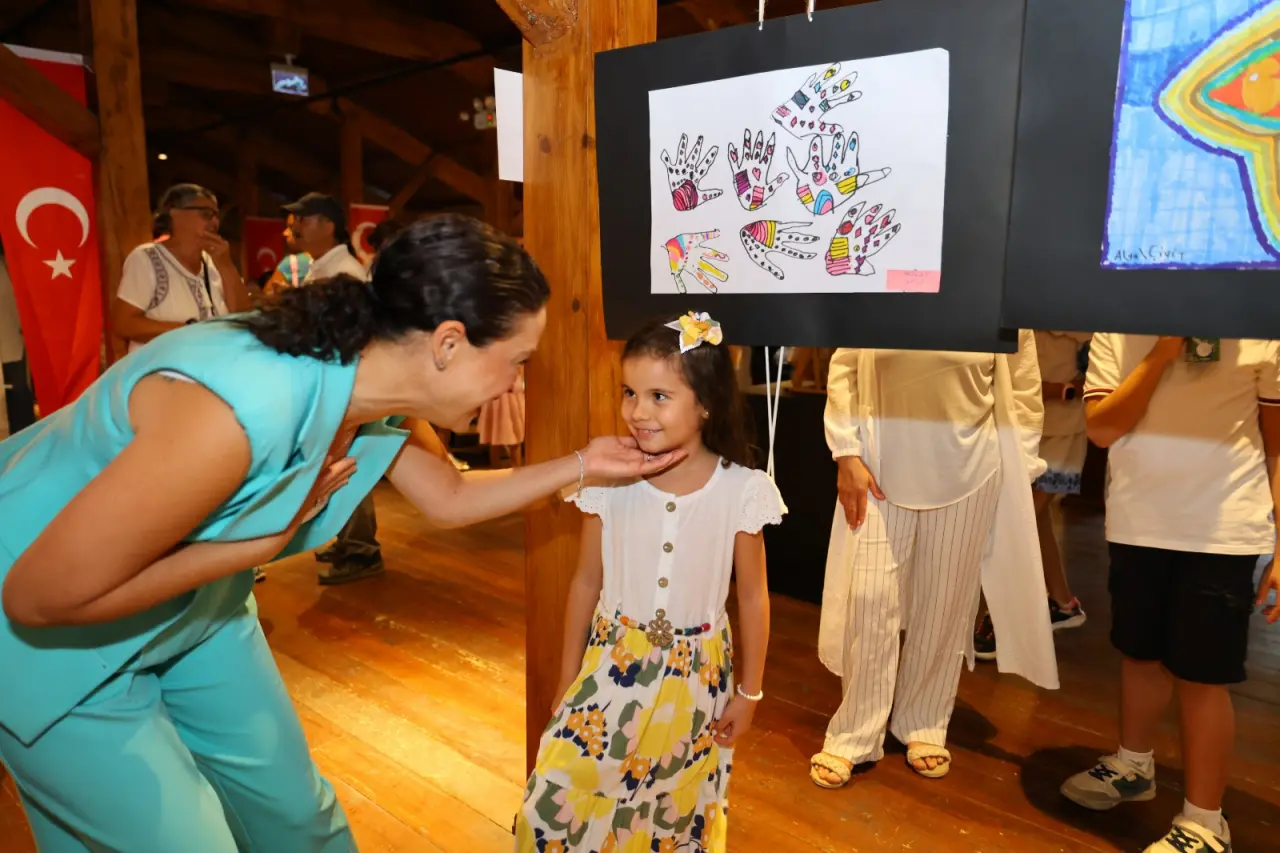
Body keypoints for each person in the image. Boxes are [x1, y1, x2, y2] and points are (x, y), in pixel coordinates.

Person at [0, 215, 679, 853]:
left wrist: (587, 465)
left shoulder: (376, 392)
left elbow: (444, 496)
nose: (515, 382)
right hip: (49, 641)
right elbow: (36, 598)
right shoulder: (239, 410)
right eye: (517, 360)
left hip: (196, 607)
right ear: (447, 343)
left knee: (300, 817)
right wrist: (257, 547)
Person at [517, 312, 784, 851]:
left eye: (659, 396)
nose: (637, 412)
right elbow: (585, 582)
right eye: (629, 392)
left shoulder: (742, 489)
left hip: (696, 681)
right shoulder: (606, 481)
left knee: (672, 810)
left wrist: (749, 693)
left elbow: (753, 596)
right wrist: (568, 678)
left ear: (705, 402)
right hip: (610, 666)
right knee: (555, 797)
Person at [1060, 335, 1280, 853]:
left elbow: (1277, 444)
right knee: (1139, 654)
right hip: (1138, 522)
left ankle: (1206, 823)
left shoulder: (1260, 329)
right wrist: (1161, 351)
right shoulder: (1119, 328)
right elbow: (1102, 428)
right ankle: (1133, 765)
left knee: (1202, 675)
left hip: (1223, 530)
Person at [810, 333, 1058, 789]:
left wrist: (1021, 468)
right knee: (869, 600)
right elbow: (844, 365)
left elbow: (1023, 387)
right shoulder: (881, 268)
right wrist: (846, 451)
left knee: (945, 604)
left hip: (972, 469)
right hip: (879, 467)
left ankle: (922, 722)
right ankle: (855, 733)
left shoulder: (999, 295)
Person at [975, 330, 1091, 660]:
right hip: (1024, 430)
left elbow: (1093, 372)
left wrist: (1060, 390)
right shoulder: (1022, 312)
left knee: (1017, 521)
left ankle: (1006, 618)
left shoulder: (1075, 315)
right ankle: (1062, 603)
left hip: (1062, 432)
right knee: (1032, 519)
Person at [112, 184, 250, 353]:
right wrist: (192, 331)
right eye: (206, 214)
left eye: (216, 215)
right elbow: (124, 324)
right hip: (162, 372)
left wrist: (226, 266)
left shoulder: (214, 262)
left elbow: (244, 319)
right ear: (175, 213)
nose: (215, 222)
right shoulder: (147, 258)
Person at [285, 192, 367, 285]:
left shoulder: (346, 273)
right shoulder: (320, 264)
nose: (294, 228)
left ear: (328, 227)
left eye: (301, 220)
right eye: (296, 219)